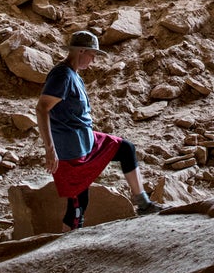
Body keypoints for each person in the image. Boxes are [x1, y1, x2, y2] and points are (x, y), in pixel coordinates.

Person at [37, 30, 161, 230]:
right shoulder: (62, 76)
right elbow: (42, 108)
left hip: (85, 140)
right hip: (71, 150)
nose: (93, 61)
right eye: (92, 55)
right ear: (82, 51)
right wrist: (50, 149)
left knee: (125, 149)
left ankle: (143, 203)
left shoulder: (73, 74)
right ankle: (64, 247)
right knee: (78, 202)